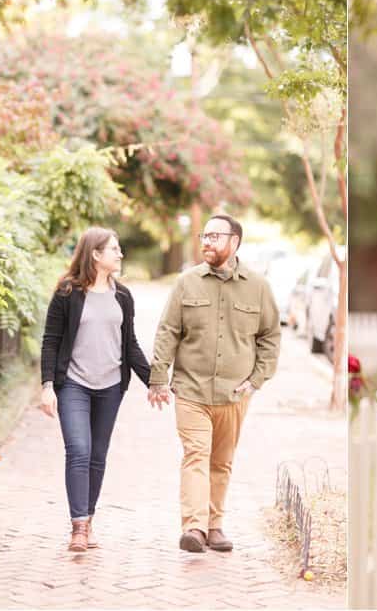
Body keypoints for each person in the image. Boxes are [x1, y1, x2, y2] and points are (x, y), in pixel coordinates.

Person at [148, 213, 281, 553]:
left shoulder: (258, 286)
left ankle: (215, 525)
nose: (206, 242)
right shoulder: (187, 282)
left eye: (214, 236)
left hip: (234, 394)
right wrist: (158, 377)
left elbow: (270, 337)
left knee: (221, 462)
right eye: (204, 236)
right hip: (191, 390)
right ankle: (194, 528)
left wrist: (256, 380)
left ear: (234, 242)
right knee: (196, 455)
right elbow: (168, 331)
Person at [39, 226, 151, 552]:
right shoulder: (67, 293)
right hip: (74, 383)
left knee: (98, 456)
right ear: (96, 254)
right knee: (79, 450)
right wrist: (48, 385)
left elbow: (130, 345)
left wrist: (155, 382)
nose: (120, 254)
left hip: (111, 386)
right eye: (114, 249)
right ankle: (78, 527)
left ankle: (87, 521)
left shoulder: (123, 296)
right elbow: (50, 342)